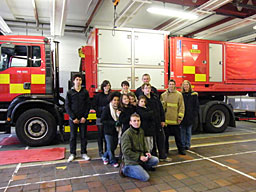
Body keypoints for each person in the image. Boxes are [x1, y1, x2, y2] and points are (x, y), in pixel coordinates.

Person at [120, 113, 159, 181]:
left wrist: (146, 152)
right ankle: (125, 170)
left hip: (141, 158)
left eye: (138, 120)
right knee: (145, 177)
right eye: (134, 121)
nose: (137, 122)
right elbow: (126, 151)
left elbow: (143, 144)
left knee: (155, 160)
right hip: (131, 161)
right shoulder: (127, 134)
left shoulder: (141, 131)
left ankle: (141, 167)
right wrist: (139, 157)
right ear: (130, 122)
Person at [141, 83, 170, 162]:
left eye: (149, 88)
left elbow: (161, 109)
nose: (147, 89)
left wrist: (162, 120)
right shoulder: (142, 100)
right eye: (146, 88)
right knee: (152, 142)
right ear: (142, 90)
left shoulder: (155, 98)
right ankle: (154, 157)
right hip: (149, 125)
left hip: (158, 123)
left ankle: (163, 156)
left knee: (161, 139)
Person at [65, 73, 91, 162]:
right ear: (73, 81)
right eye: (77, 80)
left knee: (83, 136)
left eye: (80, 80)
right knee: (73, 137)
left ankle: (84, 153)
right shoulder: (69, 92)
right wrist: (73, 117)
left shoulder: (85, 92)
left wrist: (85, 117)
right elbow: (67, 106)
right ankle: (72, 153)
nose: (78, 81)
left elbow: (88, 105)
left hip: (83, 119)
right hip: (73, 119)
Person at [160, 79, 185, 155]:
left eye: (172, 84)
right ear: (168, 85)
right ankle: (165, 151)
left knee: (178, 137)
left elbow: (181, 107)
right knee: (165, 138)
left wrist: (180, 117)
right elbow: (161, 109)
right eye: (170, 84)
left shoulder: (179, 95)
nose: (171, 86)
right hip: (166, 121)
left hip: (175, 121)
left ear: (175, 85)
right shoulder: (163, 95)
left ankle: (181, 150)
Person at [101, 91, 121, 168]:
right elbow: (103, 120)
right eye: (114, 100)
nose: (116, 102)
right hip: (108, 131)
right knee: (109, 147)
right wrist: (114, 123)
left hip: (116, 131)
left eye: (117, 100)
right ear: (111, 100)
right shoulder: (107, 108)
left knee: (114, 146)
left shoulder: (119, 108)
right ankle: (113, 161)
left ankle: (105, 156)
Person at [93, 80, 111, 157]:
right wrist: (102, 109)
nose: (107, 87)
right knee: (100, 135)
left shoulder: (111, 95)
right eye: (106, 86)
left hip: (109, 118)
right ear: (103, 87)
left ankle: (107, 150)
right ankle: (100, 151)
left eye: (108, 86)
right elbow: (94, 105)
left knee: (107, 135)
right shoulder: (98, 96)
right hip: (100, 117)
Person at [180, 80, 199, 150]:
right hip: (183, 116)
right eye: (184, 85)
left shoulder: (193, 95)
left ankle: (187, 145)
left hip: (190, 116)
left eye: (187, 85)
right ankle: (182, 144)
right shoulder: (181, 95)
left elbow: (196, 106)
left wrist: (194, 115)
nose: (186, 86)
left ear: (189, 86)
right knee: (182, 132)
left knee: (188, 131)